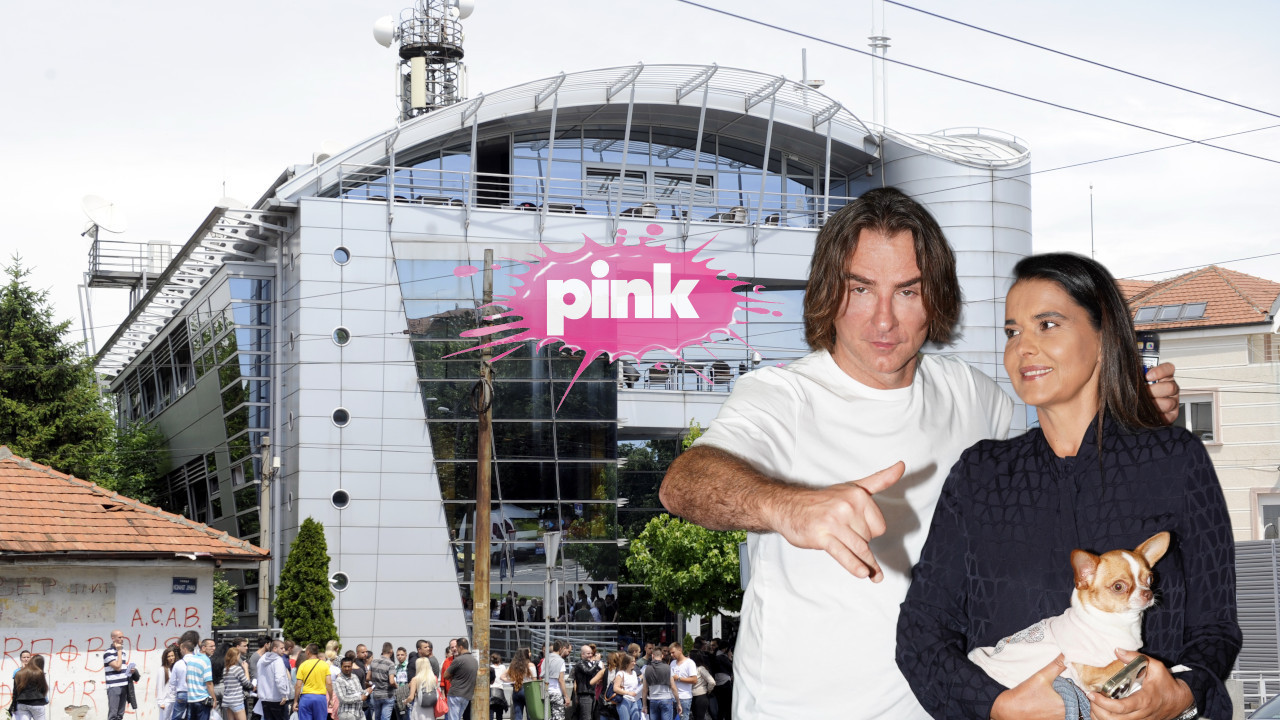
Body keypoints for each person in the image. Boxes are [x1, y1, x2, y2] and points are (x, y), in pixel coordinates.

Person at [658, 187, 1182, 719]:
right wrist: (787, 506)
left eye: (908, 291)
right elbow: (684, 483)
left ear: (936, 299)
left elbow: (1065, 481)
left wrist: (1130, 421)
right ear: (828, 292)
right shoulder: (780, 396)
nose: (883, 319)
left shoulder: (974, 396)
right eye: (861, 288)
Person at [896, 252, 1241, 720]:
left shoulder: (1175, 460)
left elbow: (1216, 627)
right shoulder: (980, 475)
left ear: (1103, 337)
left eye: (1047, 325)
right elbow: (921, 632)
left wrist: (1181, 694)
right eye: (1012, 332)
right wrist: (995, 706)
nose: (1023, 347)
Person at [254, 639, 293, 720]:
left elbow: (259, 677)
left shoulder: (261, 660)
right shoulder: (278, 660)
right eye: (281, 648)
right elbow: (279, 678)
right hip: (278, 699)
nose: (284, 650)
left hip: (264, 698)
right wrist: (283, 694)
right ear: (275, 648)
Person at [441, 638, 477, 720]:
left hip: (455, 694)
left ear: (460, 647)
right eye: (452, 647)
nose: (455, 649)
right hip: (467, 695)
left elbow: (445, 675)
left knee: (453, 718)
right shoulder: (474, 660)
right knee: (459, 717)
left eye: (456, 647)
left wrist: (452, 679)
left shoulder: (458, 660)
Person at [295, 644, 334, 720]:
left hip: (306, 698)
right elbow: (329, 683)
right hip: (320, 698)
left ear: (308, 652)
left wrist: (295, 701)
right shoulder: (324, 665)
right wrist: (331, 698)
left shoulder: (303, 665)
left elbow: (298, 685)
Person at [640, 647, 677, 720]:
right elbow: (673, 687)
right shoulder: (668, 668)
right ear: (662, 656)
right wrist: (678, 703)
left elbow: (644, 689)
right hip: (666, 698)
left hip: (653, 699)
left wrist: (644, 706)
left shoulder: (646, 669)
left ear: (652, 656)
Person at [184, 640, 218, 720]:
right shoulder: (206, 660)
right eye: (211, 646)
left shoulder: (191, 659)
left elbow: (186, 679)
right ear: (203, 648)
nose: (214, 648)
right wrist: (214, 699)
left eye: (214, 646)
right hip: (202, 699)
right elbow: (209, 682)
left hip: (191, 699)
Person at [500, 648, 536, 720]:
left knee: (518, 714)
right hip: (527, 690)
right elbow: (534, 680)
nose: (530, 654)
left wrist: (512, 681)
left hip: (516, 689)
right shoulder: (530, 665)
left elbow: (502, 677)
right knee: (530, 714)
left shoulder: (513, 666)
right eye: (529, 652)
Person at [103, 629, 131, 720]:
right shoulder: (108, 653)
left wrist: (131, 670)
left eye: (123, 637)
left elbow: (122, 667)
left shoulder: (123, 652)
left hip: (124, 684)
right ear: (113, 638)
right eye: (119, 637)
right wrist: (119, 651)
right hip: (114, 686)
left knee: (120, 714)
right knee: (113, 714)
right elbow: (117, 667)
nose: (122, 639)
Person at [12, 655, 49, 720]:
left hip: (22, 702)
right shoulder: (39, 673)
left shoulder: (18, 673)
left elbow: (15, 691)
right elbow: (44, 689)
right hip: (37, 702)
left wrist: (14, 706)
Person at [570, 645, 602, 720]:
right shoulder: (580, 663)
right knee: (586, 717)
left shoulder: (591, 664)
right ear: (582, 654)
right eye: (588, 653)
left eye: (591, 653)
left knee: (591, 717)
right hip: (584, 694)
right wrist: (597, 662)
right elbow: (588, 671)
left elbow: (599, 672)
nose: (590, 655)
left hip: (592, 693)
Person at [367, 643, 397, 720]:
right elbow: (392, 681)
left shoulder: (374, 662)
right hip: (388, 695)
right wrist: (396, 686)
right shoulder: (391, 664)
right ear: (391, 651)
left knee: (377, 717)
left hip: (376, 695)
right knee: (385, 718)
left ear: (382, 650)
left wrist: (376, 680)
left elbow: (368, 677)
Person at [223, 647, 253, 720]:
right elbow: (247, 683)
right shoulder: (237, 669)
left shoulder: (225, 669)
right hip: (237, 701)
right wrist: (246, 668)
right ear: (236, 657)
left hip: (227, 701)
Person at [668, 644, 696, 718]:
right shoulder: (672, 663)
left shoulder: (690, 663)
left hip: (684, 698)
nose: (671, 655)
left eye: (673, 652)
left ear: (680, 650)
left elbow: (694, 680)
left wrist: (678, 678)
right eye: (670, 653)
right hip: (672, 697)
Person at [612, 653, 641, 720]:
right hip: (624, 700)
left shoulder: (634, 673)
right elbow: (615, 688)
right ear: (627, 663)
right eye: (632, 661)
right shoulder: (621, 673)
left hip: (634, 700)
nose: (634, 663)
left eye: (635, 661)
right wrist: (628, 693)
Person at [544, 641, 569, 720]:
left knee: (547, 717)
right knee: (558, 717)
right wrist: (566, 696)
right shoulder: (560, 661)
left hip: (545, 691)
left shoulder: (545, 659)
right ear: (561, 649)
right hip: (556, 692)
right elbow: (561, 680)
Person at [155, 645, 180, 720]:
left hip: (175, 700)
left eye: (172, 655)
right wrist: (160, 702)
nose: (171, 658)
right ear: (165, 658)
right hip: (166, 701)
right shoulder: (162, 669)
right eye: (169, 656)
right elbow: (159, 686)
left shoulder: (175, 668)